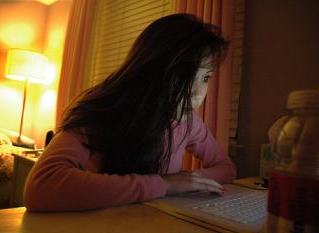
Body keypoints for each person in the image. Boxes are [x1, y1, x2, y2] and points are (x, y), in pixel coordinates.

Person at [24, 13, 236, 212]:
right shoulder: (104, 110)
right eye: (185, 75)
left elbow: (225, 167)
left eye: (206, 78)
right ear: (152, 70)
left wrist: (188, 181)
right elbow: (41, 186)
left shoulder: (189, 121)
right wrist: (163, 184)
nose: (198, 94)